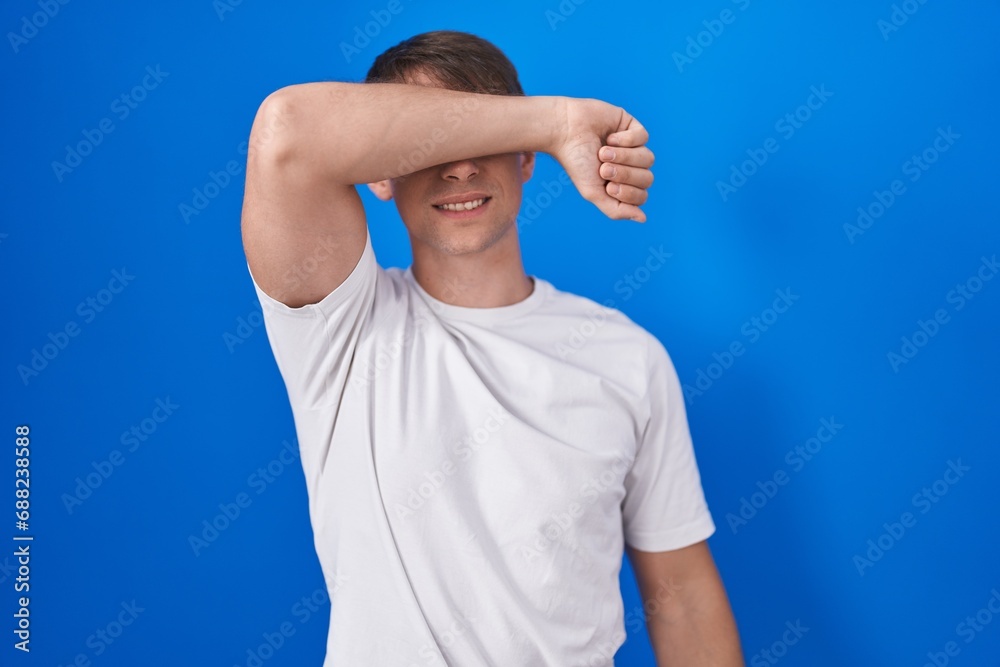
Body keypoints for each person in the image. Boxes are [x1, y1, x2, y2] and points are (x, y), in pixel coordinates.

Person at [241, 29, 742, 667]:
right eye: (437, 141)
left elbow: (683, 596)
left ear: (527, 159)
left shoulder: (627, 356)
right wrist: (557, 120)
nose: (462, 166)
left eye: (490, 141)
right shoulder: (338, 327)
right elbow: (289, 131)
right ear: (380, 175)